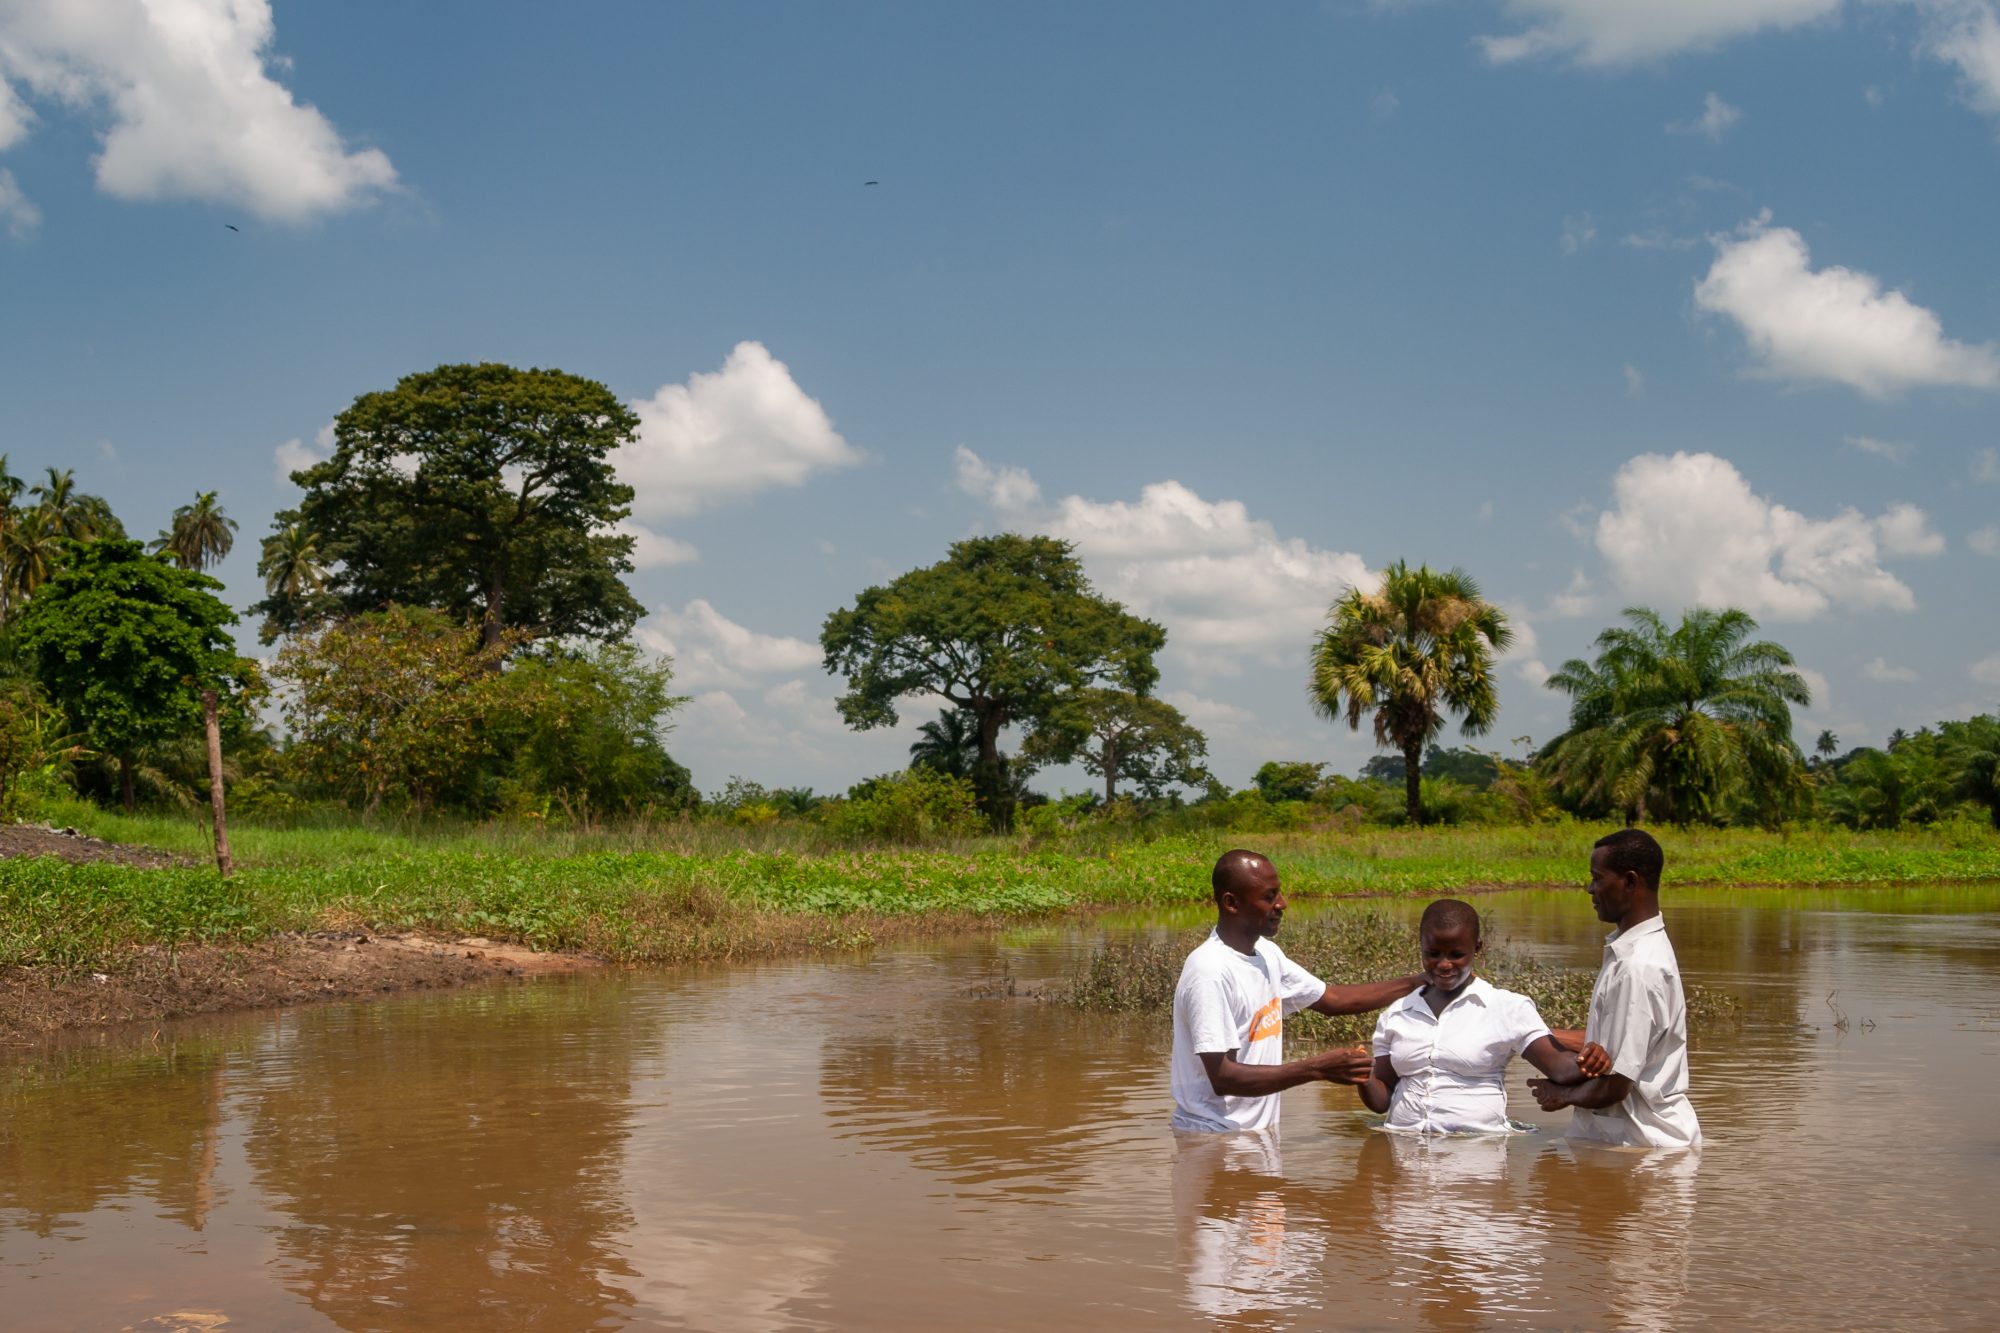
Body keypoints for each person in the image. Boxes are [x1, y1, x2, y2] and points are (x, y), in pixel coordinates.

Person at [1171, 849, 1422, 1133]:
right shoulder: (1210, 972)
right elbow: (1224, 1077)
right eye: (1269, 896)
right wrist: (1317, 1068)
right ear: (1231, 903)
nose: (1283, 904)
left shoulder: (1267, 954)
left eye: (1279, 893)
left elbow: (1333, 999)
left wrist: (1419, 982)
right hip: (1212, 1137)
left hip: (1254, 1134)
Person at [1528, 828, 1701, 1149]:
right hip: (1631, 1144)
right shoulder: (1633, 952)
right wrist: (1527, 1033)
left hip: (1642, 1147)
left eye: (1597, 878)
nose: (1590, 889)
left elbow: (1616, 1085)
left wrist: (1562, 1095)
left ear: (1630, 882)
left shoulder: (1638, 966)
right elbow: (1609, 1046)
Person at [1358, 899, 1593, 1135]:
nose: (1444, 964)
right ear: (1420, 946)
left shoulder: (1508, 1008)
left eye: (1456, 955)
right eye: (1433, 954)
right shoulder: (1397, 1013)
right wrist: (1362, 1077)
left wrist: (1597, 1057)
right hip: (1404, 1150)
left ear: (1477, 948)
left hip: (1478, 1154)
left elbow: (1561, 1068)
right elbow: (1382, 1100)